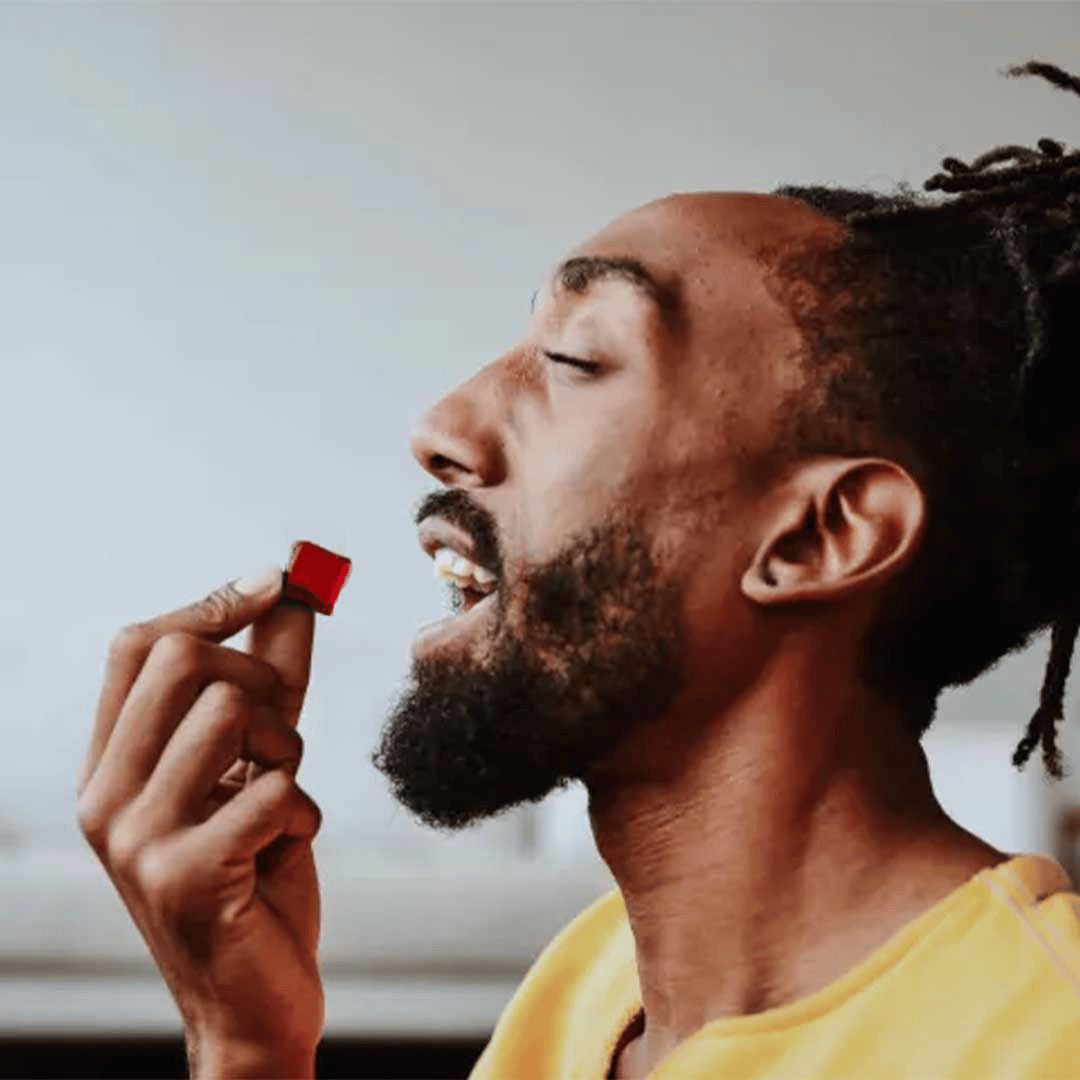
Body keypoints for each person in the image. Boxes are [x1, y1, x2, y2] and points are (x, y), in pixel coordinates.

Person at [77, 59, 1080, 1079]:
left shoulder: (1044, 1037)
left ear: (817, 538)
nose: (441, 428)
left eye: (577, 359)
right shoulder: (590, 990)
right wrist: (247, 1048)